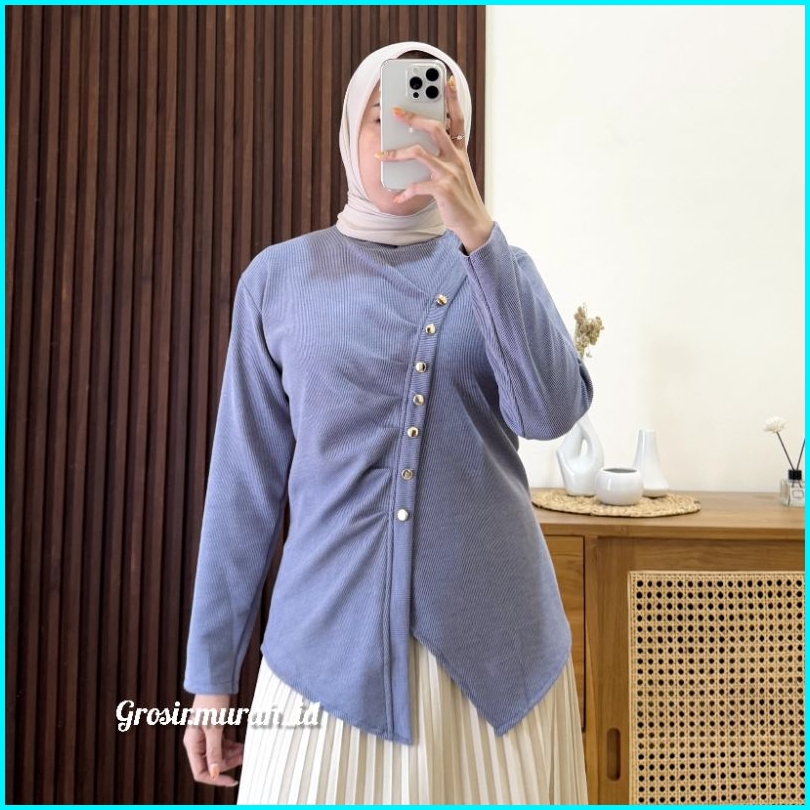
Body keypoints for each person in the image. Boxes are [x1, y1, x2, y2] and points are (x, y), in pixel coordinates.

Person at [183, 41, 593, 804]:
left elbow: (550, 413)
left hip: (497, 668)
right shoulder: (277, 280)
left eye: (444, 124)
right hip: (320, 660)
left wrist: (478, 235)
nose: (417, 136)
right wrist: (210, 677)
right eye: (388, 116)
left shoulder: (500, 267)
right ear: (351, 132)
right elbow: (242, 489)